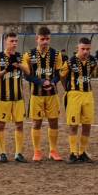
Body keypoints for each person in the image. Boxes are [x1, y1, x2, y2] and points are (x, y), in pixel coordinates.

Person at [22, 26, 68, 162]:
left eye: (47, 39)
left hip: (52, 95)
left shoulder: (56, 54)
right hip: (36, 95)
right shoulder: (28, 55)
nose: (45, 41)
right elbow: (27, 76)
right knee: (36, 123)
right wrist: (41, 82)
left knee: (53, 122)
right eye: (42, 39)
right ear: (37, 39)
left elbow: (59, 74)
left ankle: (53, 151)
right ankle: (37, 151)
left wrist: (52, 82)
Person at [0, 31, 26, 163]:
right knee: (1, 125)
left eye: (16, 41)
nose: (14, 44)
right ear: (5, 41)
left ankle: (18, 153)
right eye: (12, 41)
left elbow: (28, 71)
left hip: (18, 98)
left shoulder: (20, 56)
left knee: (19, 125)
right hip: (3, 98)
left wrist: (19, 64)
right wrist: (8, 69)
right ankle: (2, 153)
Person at [63, 37, 98, 163]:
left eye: (88, 49)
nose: (85, 51)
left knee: (87, 125)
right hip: (74, 95)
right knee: (73, 125)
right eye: (83, 49)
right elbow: (62, 76)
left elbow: (92, 72)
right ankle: (73, 153)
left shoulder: (93, 61)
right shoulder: (70, 62)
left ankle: (82, 152)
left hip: (88, 94)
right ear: (77, 48)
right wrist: (68, 89)